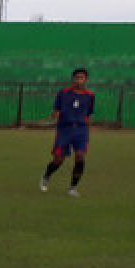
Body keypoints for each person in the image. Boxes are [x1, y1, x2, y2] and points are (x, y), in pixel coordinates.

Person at [41, 68, 94, 197]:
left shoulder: (90, 96)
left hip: (81, 130)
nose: (79, 80)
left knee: (80, 156)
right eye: (77, 77)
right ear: (73, 79)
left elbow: (89, 114)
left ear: (86, 80)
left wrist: (87, 126)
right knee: (59, 159)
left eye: (82, 77)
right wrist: (55, 115)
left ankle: (73, 188)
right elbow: (57, 110)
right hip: (65, 129)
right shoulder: (63, 93)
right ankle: (46, 176)